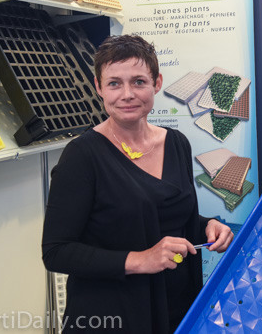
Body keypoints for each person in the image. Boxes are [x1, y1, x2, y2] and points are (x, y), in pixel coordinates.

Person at [42, 34, 234, 333]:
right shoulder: (82, 155)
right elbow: (56, 251)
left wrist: (207, 225)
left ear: (156, 83)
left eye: (139, 82)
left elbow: (160, 216)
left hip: (176, 310)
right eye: (114, 83)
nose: (127, 94)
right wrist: (140, 260)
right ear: (98, 87)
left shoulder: (176, 142)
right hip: (114, 317)